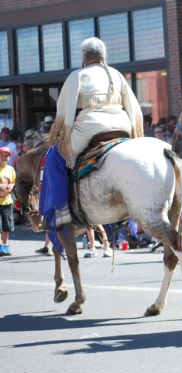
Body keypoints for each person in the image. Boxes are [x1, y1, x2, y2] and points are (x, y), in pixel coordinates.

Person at [39, 38, 143, 252]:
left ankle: (61, 213)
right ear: (103, 56)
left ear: (85, 56)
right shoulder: (116, 75)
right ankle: (132, 217)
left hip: (91, 128)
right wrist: (135, 133)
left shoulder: (78, 75)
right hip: (122, 125)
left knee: (54, 158)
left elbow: (63, 112)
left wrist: (59, 134)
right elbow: (134, 108)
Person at [0, 146, 16, 256]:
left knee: (6, 225)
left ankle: (5, 246)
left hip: (7, 201)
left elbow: (14, 182)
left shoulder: (11, 169)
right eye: (2, 156)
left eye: (6, 156)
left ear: (9, 157)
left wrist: (11, 187)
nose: (4, 158)